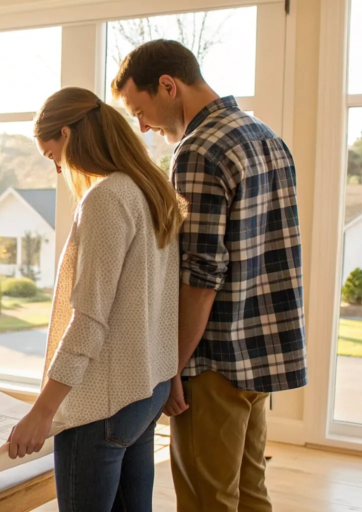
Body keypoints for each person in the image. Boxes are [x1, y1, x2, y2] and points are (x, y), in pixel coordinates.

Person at [111, 40, 307, 512]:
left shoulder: (197, 150)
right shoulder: (265, 136)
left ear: (168, 86)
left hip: (214, 357)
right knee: (249, 491)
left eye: (142, 111)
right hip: (261, 355)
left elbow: (200, 275)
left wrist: (172, 367)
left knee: (206, 499)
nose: (144, 127)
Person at [6, 86, 185, 512]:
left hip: (103, 403)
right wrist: (170, 373)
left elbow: (89, 320)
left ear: (67, 134)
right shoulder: (152, 188)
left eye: (53, 157)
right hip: (147, 389)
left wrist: (42, 412)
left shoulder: (107, 198)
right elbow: (163, 300)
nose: (57, 170)